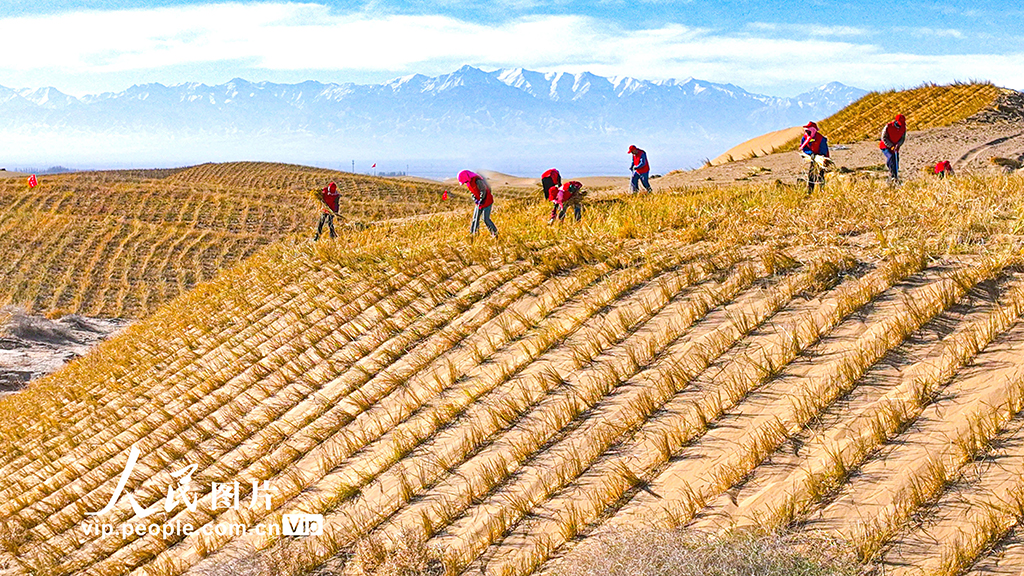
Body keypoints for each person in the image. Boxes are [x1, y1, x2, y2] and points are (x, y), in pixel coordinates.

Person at [458, 170, 498, 238]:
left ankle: (494, 233)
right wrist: (475, 199)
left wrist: (482, 199)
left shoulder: (477, 180)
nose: (464, 183)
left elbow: (483, 190)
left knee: (486, 219)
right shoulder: (469, 182)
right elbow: (473, 192)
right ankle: (474, 233)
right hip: (479, 202)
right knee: (475, 218)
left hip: (487, 201)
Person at [799, 121, 830, 194]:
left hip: (821, 159)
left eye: (808, 131)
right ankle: (810, 191)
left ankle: (821, 190)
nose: (807, 132)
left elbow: (824, 150)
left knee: (820, 175)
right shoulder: (805, 138)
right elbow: (804, 148)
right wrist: (811, 154)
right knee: (811, 174)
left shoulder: (820, 139)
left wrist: (819, 157)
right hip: (813, 158)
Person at [879, 114, 907, 183]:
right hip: (885, 146)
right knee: (891, 157)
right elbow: (883, 138)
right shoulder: (888, 126)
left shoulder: (903, 128)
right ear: (896, 121)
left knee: (896, 161)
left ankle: (895, 177)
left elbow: (902, 138)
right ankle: (892, 175)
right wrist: (891, 145)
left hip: (895, 147)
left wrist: (898, 144)